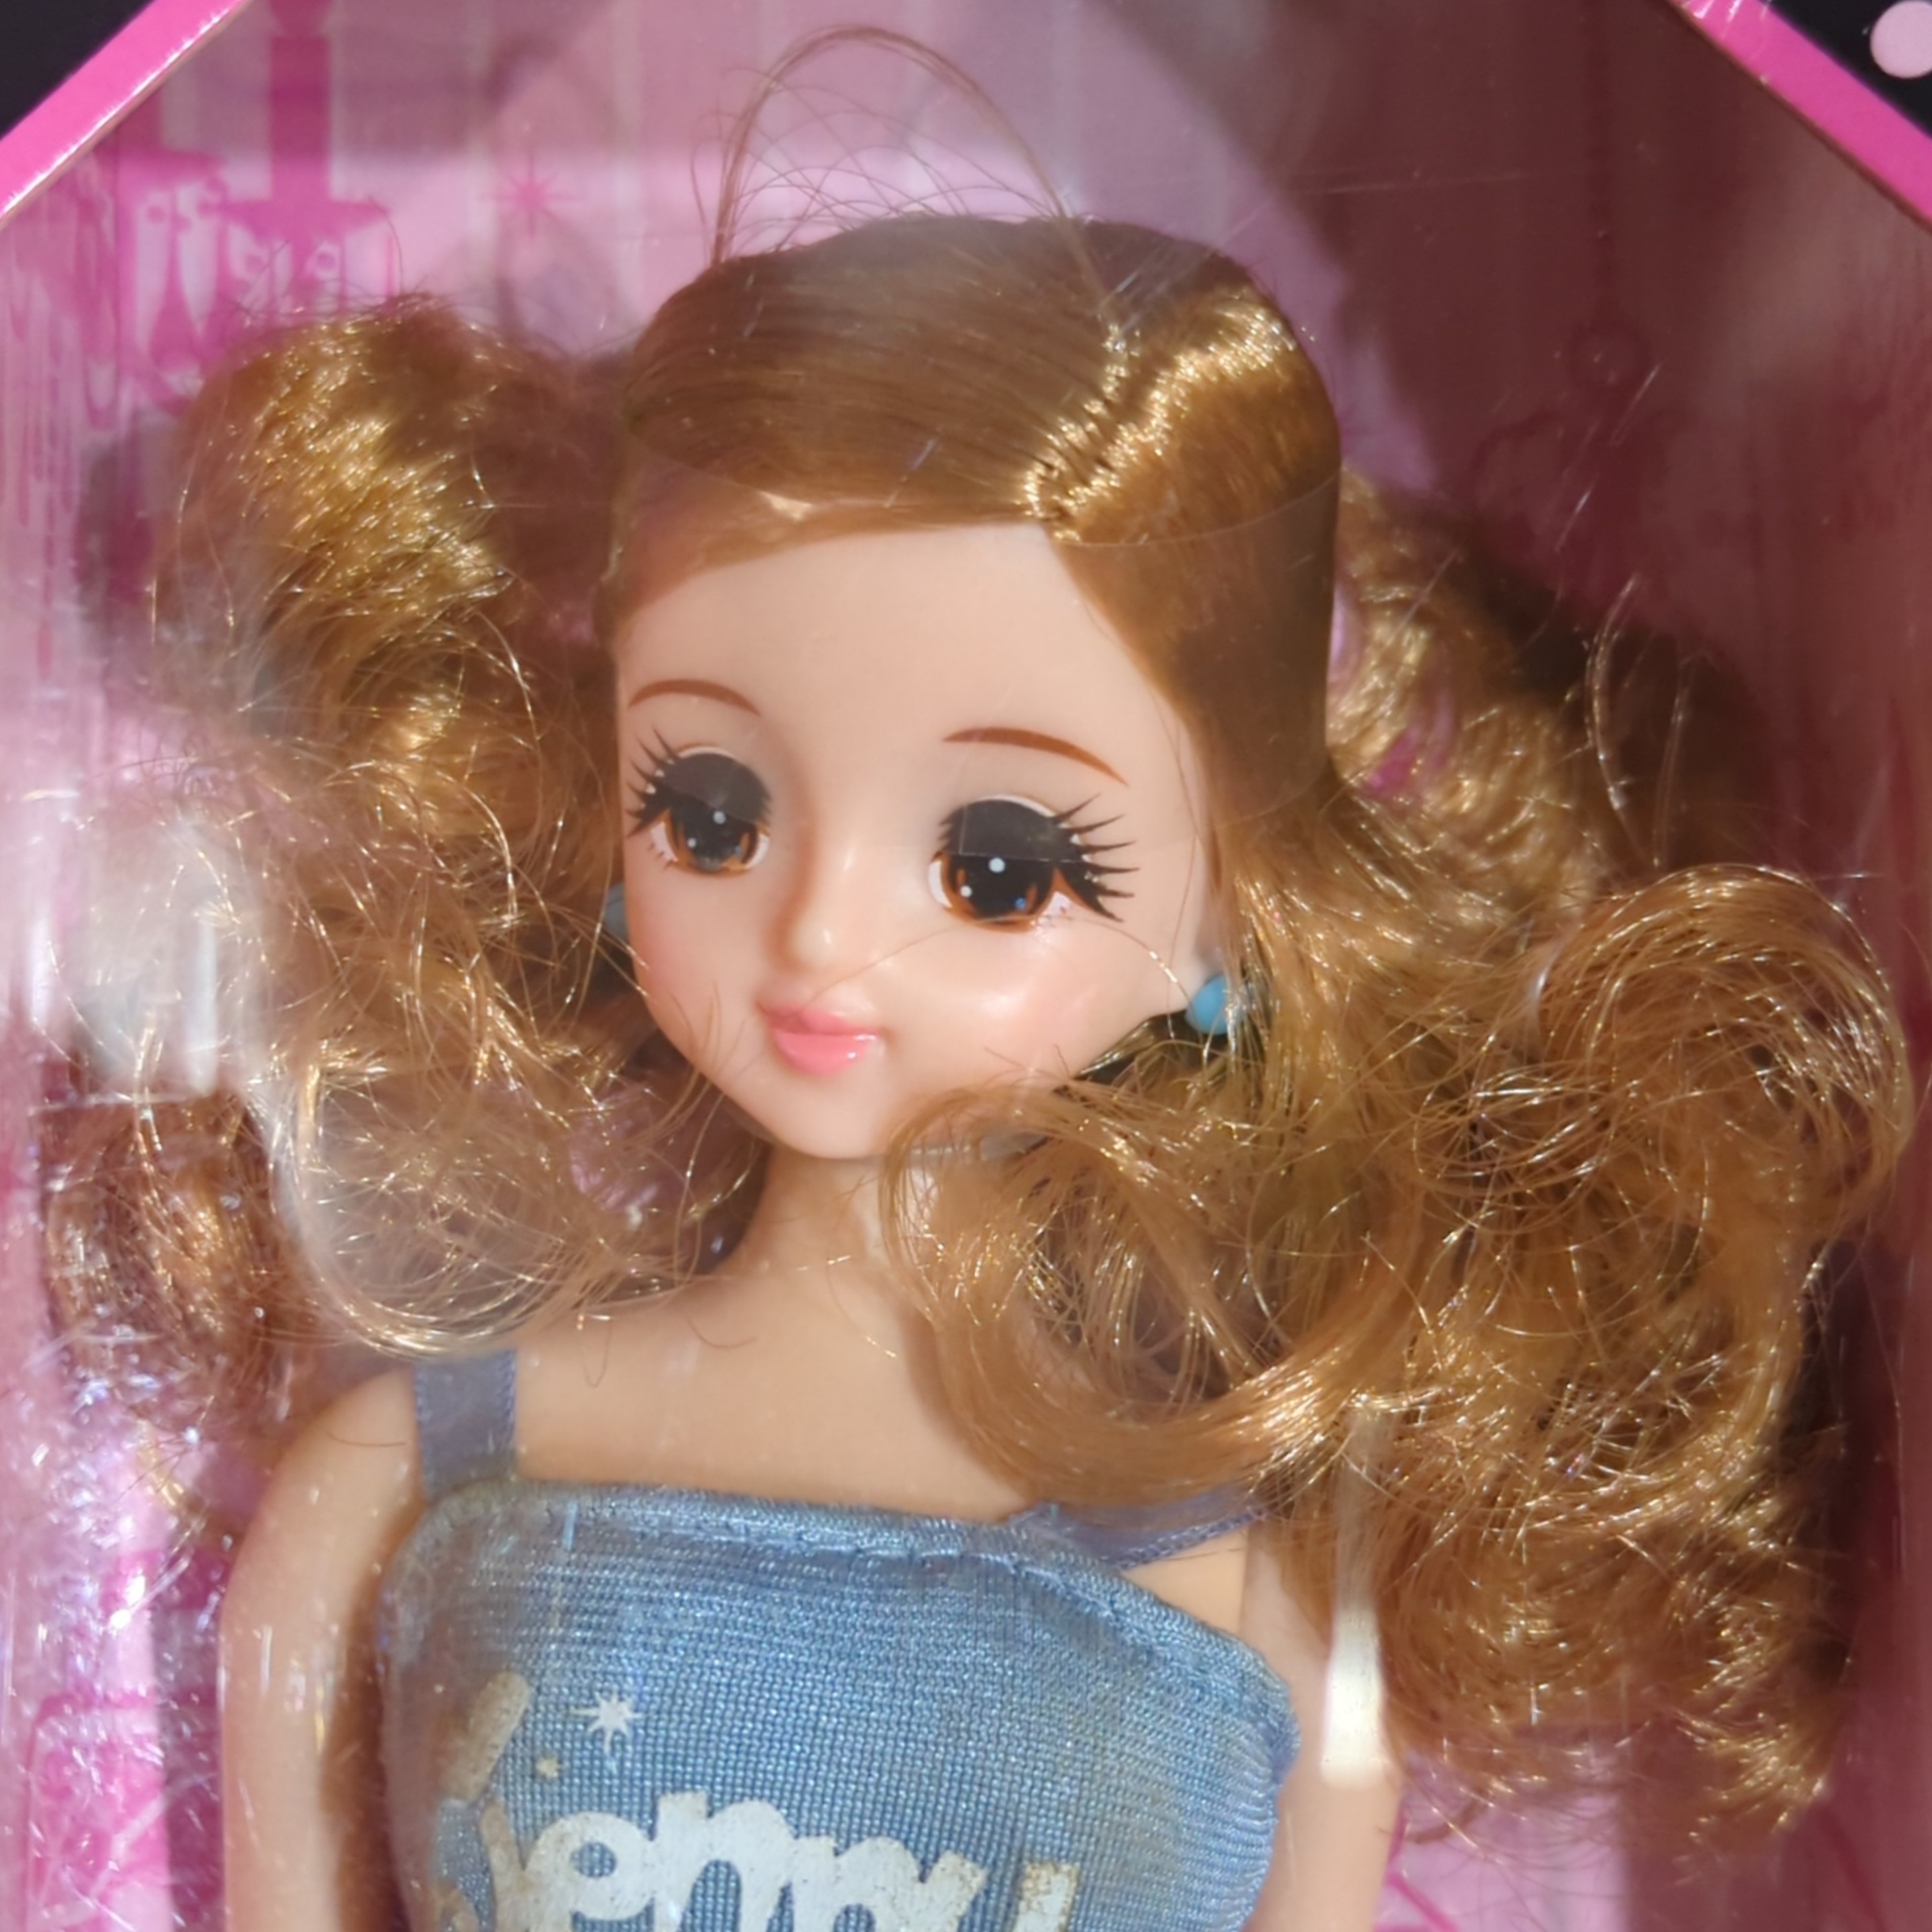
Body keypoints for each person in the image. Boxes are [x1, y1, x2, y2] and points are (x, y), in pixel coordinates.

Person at [45, 181, 1907, 1932]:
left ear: (1219, 919)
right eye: (708, 809)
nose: (818, 933)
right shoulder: (399, 1475)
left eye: (1001, 866)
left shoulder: (1259, 1601)